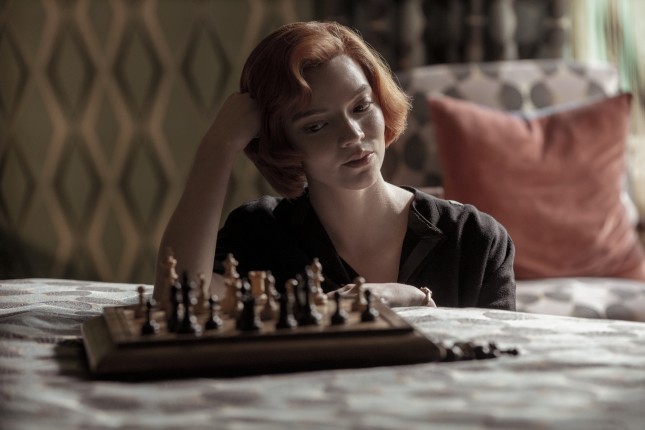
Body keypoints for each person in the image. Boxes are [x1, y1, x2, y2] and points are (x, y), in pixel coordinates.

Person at [153, 21, 516, 310]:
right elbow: (177, 299)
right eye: (316, 126)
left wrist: (415, 303)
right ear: (283, 143)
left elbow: (504, 369)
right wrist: (218, 145)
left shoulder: (475, 239)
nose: (353, 134)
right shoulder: (260, 233)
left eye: (361, 107)